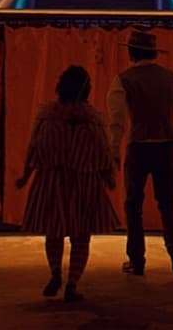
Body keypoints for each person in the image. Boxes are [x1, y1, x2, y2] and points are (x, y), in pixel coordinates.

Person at [15, 65, 119, 302]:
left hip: (52, 181)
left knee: (54, 232)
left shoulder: (48, 117)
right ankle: (72, 283)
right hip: (84, 182)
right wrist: (109, 178)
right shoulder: (91, 120)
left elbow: (34, 148)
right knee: (81, 236)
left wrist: (25, 176)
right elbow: (102, 152)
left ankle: (55, 273)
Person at [107, 30, 173, 278]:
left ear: (131, 52)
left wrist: (114, 150)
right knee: (168, 201)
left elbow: (117, 121)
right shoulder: (172, 77)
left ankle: (137, 259)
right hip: (167, 146)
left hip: (139, 146)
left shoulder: (123, 79)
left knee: (133, 204)